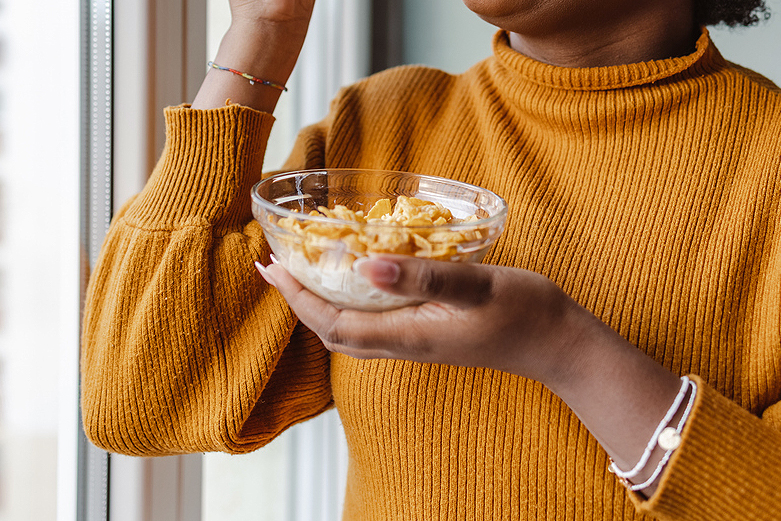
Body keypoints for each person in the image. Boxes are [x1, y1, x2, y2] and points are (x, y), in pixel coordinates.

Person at [80, 0, 781, 519]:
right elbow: (133, 400)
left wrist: (565, 350)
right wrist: (261, 34)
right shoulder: (386, 129)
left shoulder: (767, 168)